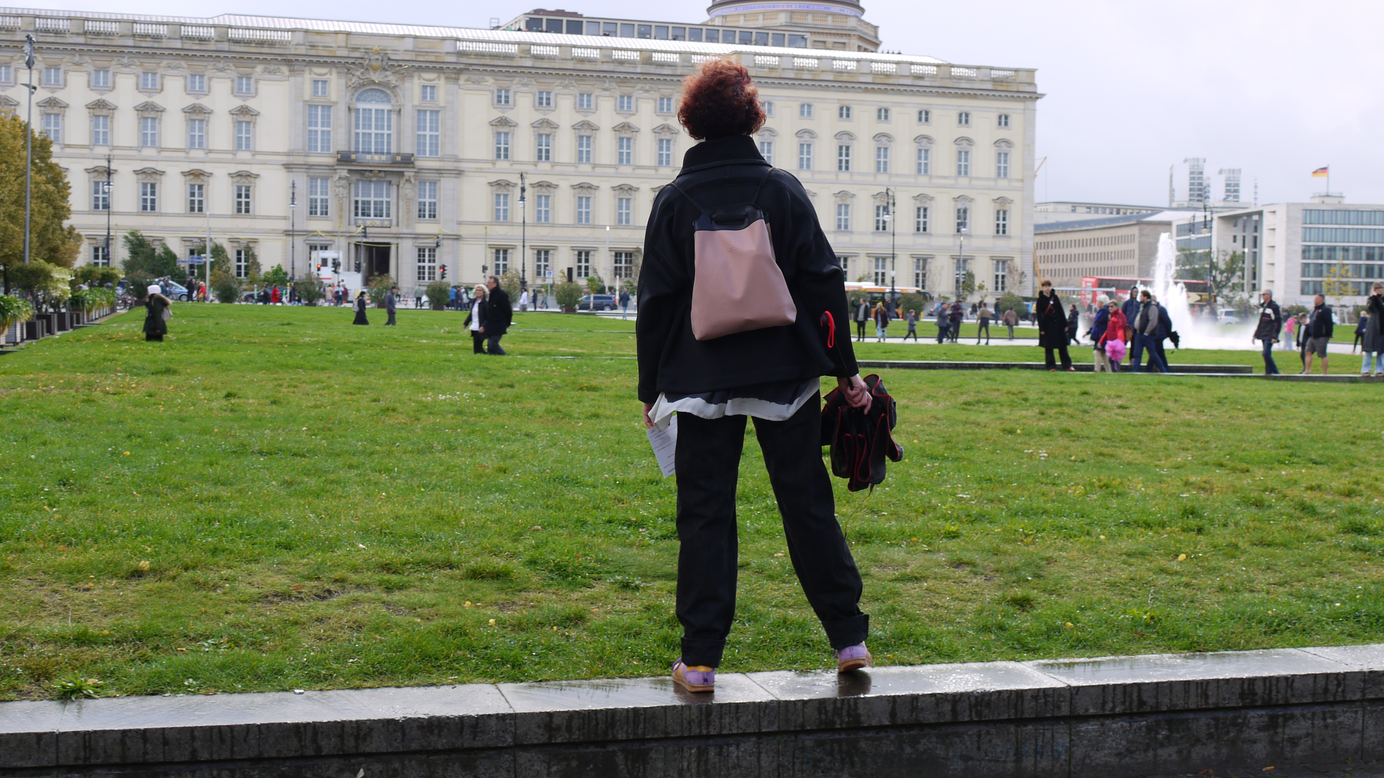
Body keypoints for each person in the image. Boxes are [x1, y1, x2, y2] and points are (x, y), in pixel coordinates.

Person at [636, 59, 873, 693]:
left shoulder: (673, 200)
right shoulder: (783, 190)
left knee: (705, 514)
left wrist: (650, 389)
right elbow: (823, 285)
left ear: (691, 121)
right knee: (807, 506)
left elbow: (655, 302)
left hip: (698, 380)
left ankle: (700, 660)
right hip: (785, 378)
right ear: (753, 118)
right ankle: (848, 638)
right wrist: (845, 371)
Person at [1034, 280, 1073, 371]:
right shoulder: (1040, 300)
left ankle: (1067, 365)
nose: (1048, 288)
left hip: (1058, 325)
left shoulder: (1055, 297)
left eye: (1049, 286)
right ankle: (1051, 366)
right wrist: (1041, 329)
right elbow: (1039, 315)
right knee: (1049, 347)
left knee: (1063, 346)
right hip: (1047, 326)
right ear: (1042, 288)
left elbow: (1061, 311)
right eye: (1045, 286)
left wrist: (1065, 324)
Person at [1129, 290, 1169, 373]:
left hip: (1148, 335)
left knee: (1153, 354)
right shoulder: (1143, 306)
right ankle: (1135, 370)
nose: (1139, 298)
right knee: (1137, 354)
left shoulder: (1152, 307)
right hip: (1139, 334)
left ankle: (1163, 370)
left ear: (1145, 297)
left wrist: (1146, 333)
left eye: (1141, 296)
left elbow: (1153, 321)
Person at [1251, 289, 1283, 375]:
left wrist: (1275, 336)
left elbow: (1278, 322)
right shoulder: (1263, 307)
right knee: (1266, 354)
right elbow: (1260, 322)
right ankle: (1268, 373)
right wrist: (1255, 334)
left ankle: (1276, 372)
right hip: (1263, 333)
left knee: (1266, 354)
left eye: (1264, 294)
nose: (1262, 296)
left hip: (1270, 334)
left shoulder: (1274, 307)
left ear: (1269, 295)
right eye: (1262, 294)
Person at [1303, 293, 1333, 375]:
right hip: (1312, 335)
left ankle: (1324, 373)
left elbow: (1329, 322)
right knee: (1308, 352)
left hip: (1321, 336)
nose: (1314, 300)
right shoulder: (1315, 310)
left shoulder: (1325, 310)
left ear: (1320, 300)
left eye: (1316, 299)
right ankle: (1307, 371)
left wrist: (1329, 333)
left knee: (1322, 354)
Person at [482, 275, 512, 355]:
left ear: (495, 284)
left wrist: (508, 323)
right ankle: (492, 358)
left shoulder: (502, 295)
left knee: (493, 344)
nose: (487, 284)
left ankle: (506, 356)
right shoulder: (491, 294)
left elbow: (508, 310)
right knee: (490, 346)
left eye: (489, 283)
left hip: (499, 324)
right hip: (491, 324)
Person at [1097, 300, 1127, 372]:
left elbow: (1120, 329)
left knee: (1115, 360)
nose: (1110, 308)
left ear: (1116, 306)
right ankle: (1115, 373)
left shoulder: (1120, 316)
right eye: (1109, 307)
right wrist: (1101, 341)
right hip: (1111, 341)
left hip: (1116, 341)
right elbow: (1108, 331)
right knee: (1112, 360)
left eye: (1112, 306)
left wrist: (1120, 342)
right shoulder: (1111, 316)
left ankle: (1116, 373)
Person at [1362, 282, 1384, 376]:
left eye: (1381, 288)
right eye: (1378, 288)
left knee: (1381, 351)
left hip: (1382, 328)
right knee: (1369, 349)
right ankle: (1365, 370)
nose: (1380, 290)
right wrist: (1374, 297)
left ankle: (1379, 370)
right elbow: (1371, 308)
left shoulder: (1382, 300)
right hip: (1373, 327)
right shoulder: (1371, 300)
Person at [464, 284, 488, 354]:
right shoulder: (474, 301)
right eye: (477, 290)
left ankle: (483, 355)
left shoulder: (485, 303)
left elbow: (488, 317)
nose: (478, 292)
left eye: (480, 290)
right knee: (476, 345)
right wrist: (466, 323)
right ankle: (481, 355)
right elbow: (471, 313)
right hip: (474, 325)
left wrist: (483, 326)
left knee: (478, 344)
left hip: (481, 326)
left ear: (484, 292)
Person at [1089, 298, 1110, 372]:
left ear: (1102, 303)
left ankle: (1097, 370)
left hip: (1102, 335)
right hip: (1098, 335)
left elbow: (1102, 323)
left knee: (1097, 352)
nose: (1097, 303)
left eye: (1099, 302)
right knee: (1103, 354)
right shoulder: (1100, 311)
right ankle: (1109, 371)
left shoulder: (1105, 312)